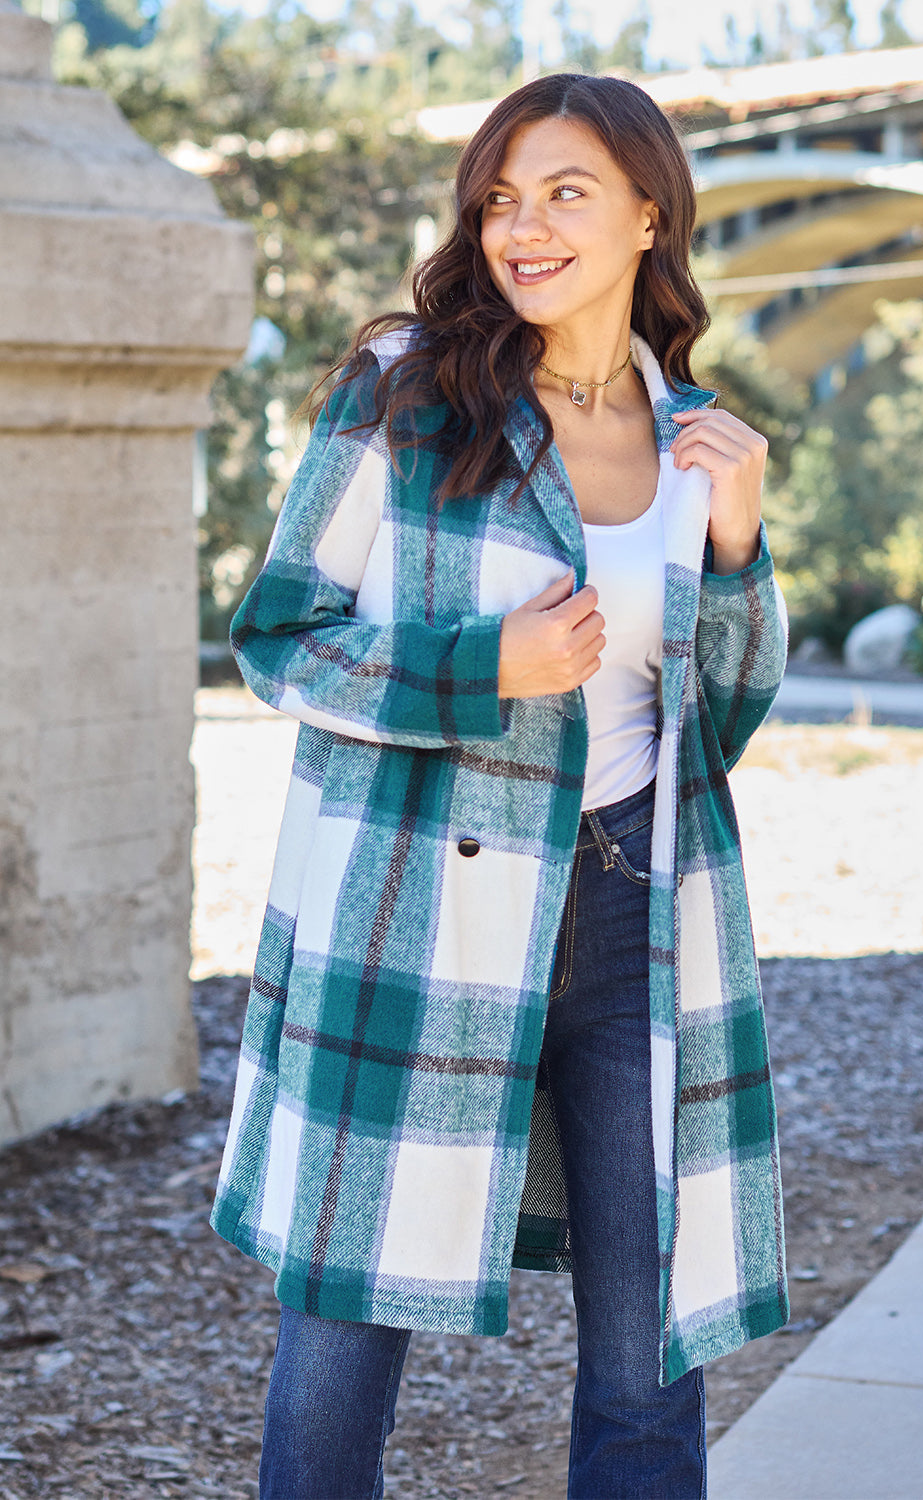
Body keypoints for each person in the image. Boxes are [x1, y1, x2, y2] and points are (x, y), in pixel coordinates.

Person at [211, 72, 789, 1500]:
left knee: (650, 1355)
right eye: (499, 198)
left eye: (566, 193)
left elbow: (720, 718)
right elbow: (276, 640)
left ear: (651, 211)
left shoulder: (694, 436)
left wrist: (738, 551)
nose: (523, 227)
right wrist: (483, 670)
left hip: (638, 914)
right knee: (347, 1329)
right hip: (416, 908)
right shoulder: (407, 389)